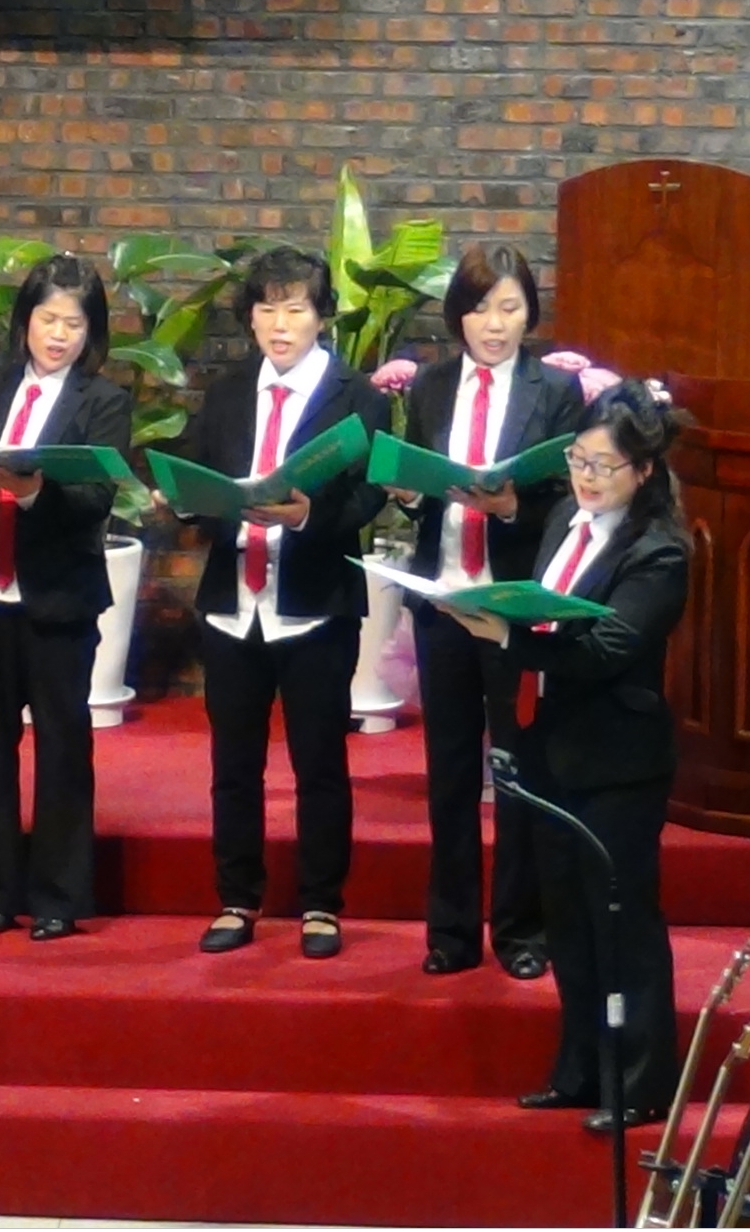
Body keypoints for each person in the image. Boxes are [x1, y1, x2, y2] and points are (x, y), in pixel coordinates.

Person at [447, 380, 688, 1134]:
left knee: (619, 920)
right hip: (549, 744)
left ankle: (641, 1083)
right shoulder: (563, 520)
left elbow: (608, 648)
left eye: (604, 466)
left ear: (642, 472)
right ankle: (580, 1070)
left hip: (618, 760)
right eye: (579, 460)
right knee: (567, 919)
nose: (586, 477)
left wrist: (506, 635)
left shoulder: (659, 552)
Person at [151, 246, 388, 959]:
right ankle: (237, 897)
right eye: (266, 309)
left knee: (319, 763)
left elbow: (369, 495)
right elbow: (199, 472)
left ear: (322, 317)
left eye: (295, 309)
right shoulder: (228, 393)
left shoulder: (358, 396)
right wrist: (179, 497)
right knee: (234, 764)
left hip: (314, 605)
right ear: (249, 317)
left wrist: (309, 514)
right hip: (235, 603)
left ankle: (321, 905)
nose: (279, 324)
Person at [390, 244, 580, 980]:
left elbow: (569, 501)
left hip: (509, 608)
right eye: (479, 309)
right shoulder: (432, 386)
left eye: (509, 308)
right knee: (448, 774)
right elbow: (416, 481)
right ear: (457, 317)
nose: (494, 325)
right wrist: (409, 493)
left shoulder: (555, 390)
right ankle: (452, 932)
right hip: (442, 601)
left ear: (529, 313)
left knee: (518, 770)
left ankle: (522, 931)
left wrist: (510, 507)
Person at [0, 256, 131, 941]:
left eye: (73, 324)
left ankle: (59, 895)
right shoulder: (0, 385)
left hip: (59, 596)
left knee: (61, 745)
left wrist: (32, 492)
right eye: (48, 319)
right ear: (24, 321)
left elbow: (95, 499)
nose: (58, 335)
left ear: (92, 332)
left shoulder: (103, 400)